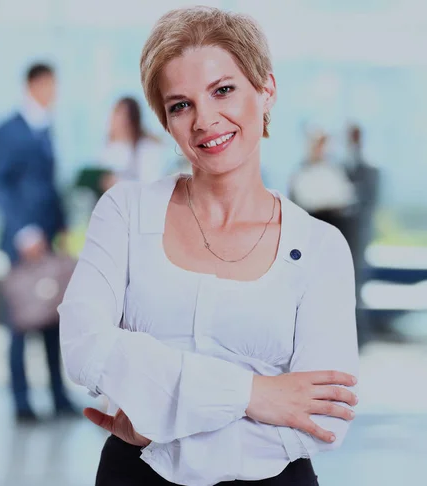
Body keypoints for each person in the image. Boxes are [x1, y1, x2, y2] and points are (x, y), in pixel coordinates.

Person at [59, 7, 359, 486]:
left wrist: (161, 413)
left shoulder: (321, 248)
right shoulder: (125, 212)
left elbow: (322, 420)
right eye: (180, 105)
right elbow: (86, 348)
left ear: (266, 91)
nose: (204, 120)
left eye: (223, 90)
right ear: (166, 122)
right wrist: (254, 394)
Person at [0, 63, 77, 422]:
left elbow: (50, 186)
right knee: (20, 321)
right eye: (49, 85)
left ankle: (57, 396)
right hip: (21, 242)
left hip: (49, 241)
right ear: (32, 85)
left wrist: (63, 227)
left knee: (52, 320)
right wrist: (24, 230)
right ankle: (22, 401)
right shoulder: (7, 131)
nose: (53, 92)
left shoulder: (45, 129)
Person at [343, 124, 380, 348]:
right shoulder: (342, 166)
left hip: (359, 233)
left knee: (357, 284)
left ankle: (362, 336)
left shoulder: (371, 168)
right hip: (344, 231)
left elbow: (369, 203)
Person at [289, 130, 357, 235]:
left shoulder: (333, 170)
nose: (322, 150)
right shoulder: (302, 172)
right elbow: (306, 200)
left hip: (335, 221)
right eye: (318, 145)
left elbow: (345, 196)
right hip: (313, 221)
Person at [99, 96, 166, 191]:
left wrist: (117, 182)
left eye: (124, 118)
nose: (118, 123)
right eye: (116, 116)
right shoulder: (111, 147)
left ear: (133, 121)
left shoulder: (147, 147)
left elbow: (150, 184)